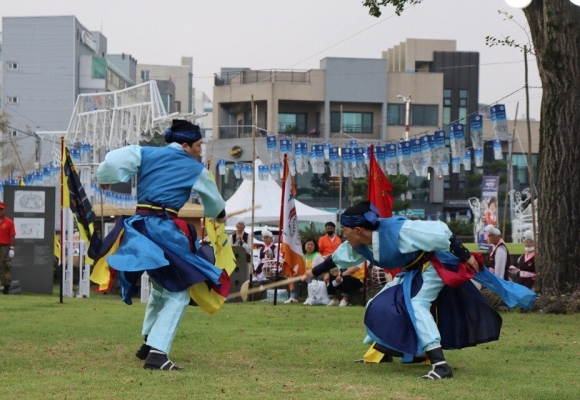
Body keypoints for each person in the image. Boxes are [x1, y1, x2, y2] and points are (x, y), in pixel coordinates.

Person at [302, 200, 535, 380]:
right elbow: (336, 259)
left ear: (359, 229)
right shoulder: (358, 244)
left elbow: (442, 233)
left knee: (416, 304)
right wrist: (312, 272)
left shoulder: (400, 230)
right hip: (412, 270)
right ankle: (383, 350)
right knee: (378, 303)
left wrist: (465, 255)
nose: (343, 234)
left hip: (434, 265)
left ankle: (440, 365)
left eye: (345, 230)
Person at [91, 119, 227, 371]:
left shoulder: (145, 152)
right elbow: (214, 202)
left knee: (162, 287)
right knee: (179, 293)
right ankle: (158, 353)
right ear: (185, 145)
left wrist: (104, 179)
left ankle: (148, 342)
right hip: (164, 230)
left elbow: (111, 162)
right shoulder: (194, 168)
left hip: (138, 227)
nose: (200, 150)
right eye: (198, 145)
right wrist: (219, 214)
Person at [285, 237, 324, 304]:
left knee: (311, 277)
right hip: (304, 276)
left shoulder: (317, 256)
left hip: (317, 277)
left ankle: (309, 297)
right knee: (293, 276)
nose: (310, 246)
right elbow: (297, 268)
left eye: (312, 245)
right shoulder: (301, 256)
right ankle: (293, 297)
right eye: (308, 244)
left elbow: (318, 271)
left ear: (315, 246)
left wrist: (307, 275)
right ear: (304, 246)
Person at [0, 202, 16, 295]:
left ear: (4, 210)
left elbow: (12, 236)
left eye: (1, 209)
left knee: (5, 266)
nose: (0, 211)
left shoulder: (9, 222)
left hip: (4, 247)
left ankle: (6, 287)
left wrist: (12, 248)